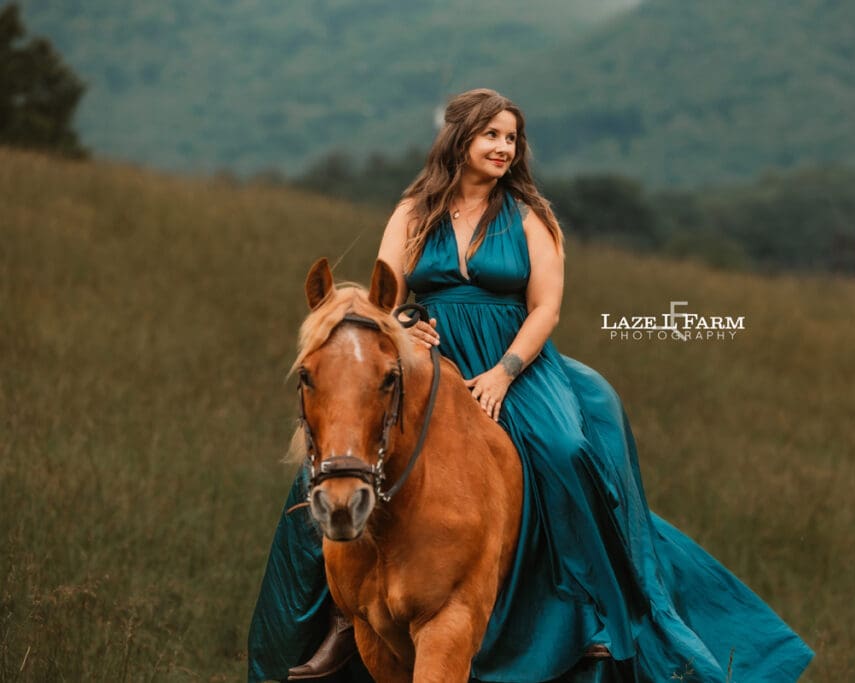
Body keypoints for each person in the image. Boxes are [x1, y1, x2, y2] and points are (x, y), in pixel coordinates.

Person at [248, 88, 814, 682]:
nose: (502, 148)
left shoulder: (528, 217)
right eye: (491, 134)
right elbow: (385, 294)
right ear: (460, 139)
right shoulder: (414, 210)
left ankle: (587, 614)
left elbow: (546, 308)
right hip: (428, 356)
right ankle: (341, 617)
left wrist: (503, 374)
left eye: (511, 138)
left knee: (565, 451)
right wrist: (410, 327)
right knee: (340, 454)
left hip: (514, 359)